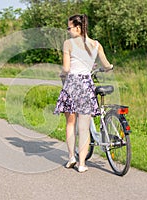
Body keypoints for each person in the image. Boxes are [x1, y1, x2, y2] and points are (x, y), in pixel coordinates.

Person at [54, 14, 113, 173]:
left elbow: (66, 69)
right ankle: (82, 164)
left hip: (72, 84)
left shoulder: (69, 44)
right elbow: (106, 65)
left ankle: (72, 157)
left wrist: (61, 74)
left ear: (78, 28)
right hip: (86, 85)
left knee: (70, 123)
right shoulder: (96, 44)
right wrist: (108, 68)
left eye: (69, 28)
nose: (68, 31)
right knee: (84, 127)